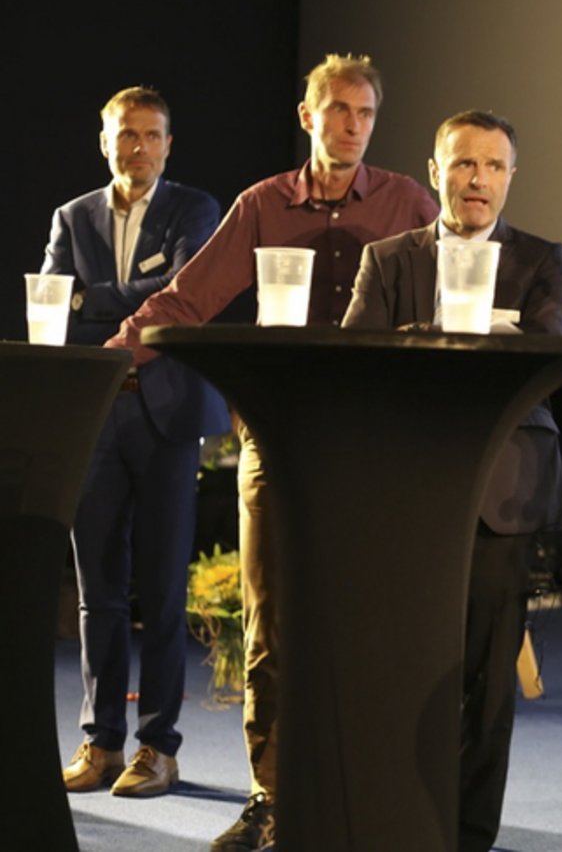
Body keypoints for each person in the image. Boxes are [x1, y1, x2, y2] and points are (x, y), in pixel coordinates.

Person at [106, 54, 438, 852]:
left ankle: (360, 796)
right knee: (271, 627)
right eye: (338, 111)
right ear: (307, 116)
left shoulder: (406, 202)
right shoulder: (264, 204)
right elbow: (190, 296)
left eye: (364, 114)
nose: (352, 126)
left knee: (368, 626)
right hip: (277, 440)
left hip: (370, 449)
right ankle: (273, 799)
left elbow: (434, 310)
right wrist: (113, 356)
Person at [341, 109, 562, 852]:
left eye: (494, 166)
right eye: (464, 164)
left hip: (504, 491)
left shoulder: (541, 260)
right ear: (435, 171)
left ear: (511, 177)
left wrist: (425, 344)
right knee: (403, 668)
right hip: (407, 487)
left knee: (488, 682)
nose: (478, 180)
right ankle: (399, 817)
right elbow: (357, 357)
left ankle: (467, 835)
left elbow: (543, 359)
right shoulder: (389, 259)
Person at [45, 86, 228, 798]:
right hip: (93, 414)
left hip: (168, 415)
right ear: (105, 141)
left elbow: (185, 301)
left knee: (162, 587)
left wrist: (101, 300)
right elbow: (55, 307)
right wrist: (115, 301)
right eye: (126, 135)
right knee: (98, 590)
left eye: (152, 136)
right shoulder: (72, 217)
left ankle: (158, 746)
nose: (138, 148)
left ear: (169, 145)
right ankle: (101, 744)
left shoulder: (196, 210)